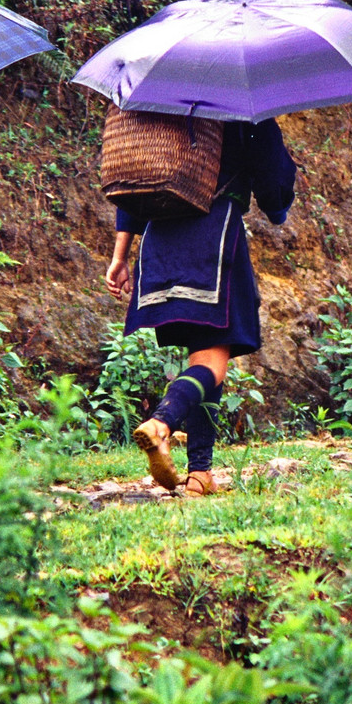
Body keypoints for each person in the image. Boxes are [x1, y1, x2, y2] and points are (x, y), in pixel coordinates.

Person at [105, 119, 297, 496]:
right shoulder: (240, 106)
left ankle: (200, 473)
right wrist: (278, 206)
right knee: (211, 363)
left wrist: (120, 256)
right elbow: (274, 185)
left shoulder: (160, 103)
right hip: (212, 240)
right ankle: (162, 424)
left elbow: (133, 184)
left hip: (159, 246)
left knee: (202, 359)